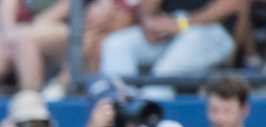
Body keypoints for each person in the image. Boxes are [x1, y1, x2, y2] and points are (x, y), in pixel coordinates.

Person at [99, 0, 241, 96]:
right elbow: (147, 10)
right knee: (115, 44)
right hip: (172, 25)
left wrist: (181, 24)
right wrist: (148, 23)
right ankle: (119, 108)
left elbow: (233, 4)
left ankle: (146, 116)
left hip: (212, 31)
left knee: (162, 77)